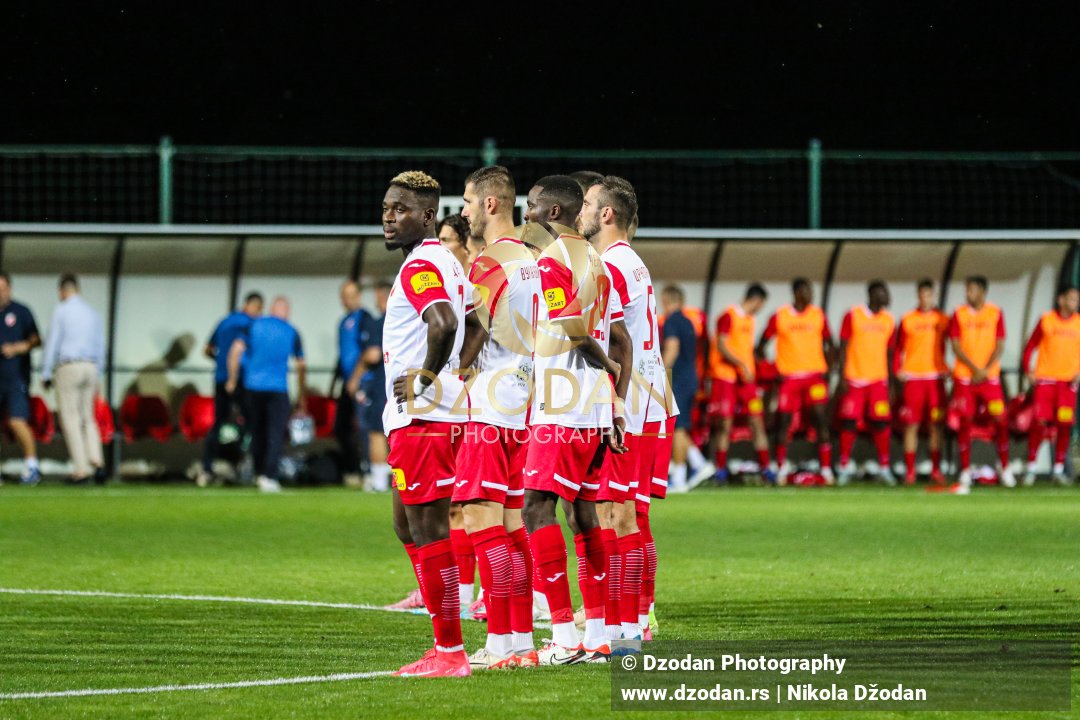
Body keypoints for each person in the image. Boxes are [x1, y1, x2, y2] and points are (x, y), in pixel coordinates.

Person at [522, 183, 623, 666]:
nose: (527, 207)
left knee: (535, 510)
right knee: (583, 517)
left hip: (563, 406)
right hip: (591, 408)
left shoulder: (554, 257)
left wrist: (607, 365)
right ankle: (599, 635)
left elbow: (568, 323)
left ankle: (563, 636)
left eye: (534, 201)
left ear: (553, 210)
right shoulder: (598, 260)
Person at [381, 171, 471, 678]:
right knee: (405, 523)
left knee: (429, 527)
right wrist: (456, 374)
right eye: (387, 208)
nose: (390, 217)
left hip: (424, 418)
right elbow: (474, 323)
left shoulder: (423, 266)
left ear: (428, 216)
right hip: (424, 416)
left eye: (401, 209)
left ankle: (450, 650)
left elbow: (445, 322)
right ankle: (444, 629)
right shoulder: (446, 262)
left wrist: (426, 378)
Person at [455, 165, 542, 669]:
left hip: (488, 401)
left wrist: (448, 377)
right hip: (523, 402)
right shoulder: (532, 259)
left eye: (467, 201)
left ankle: (500, 645)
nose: (464, 210)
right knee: (513, 527)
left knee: (478, 519)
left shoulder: (490, 261)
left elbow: (475, 328)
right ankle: (521, 643)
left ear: (490, 204)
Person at [583, 175, 660, 648]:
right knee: (628, 513)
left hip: (628, 401)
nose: (581, 210)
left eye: (589, 203)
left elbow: (619, 341)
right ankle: (633, 623)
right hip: (645, 400)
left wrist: (613, 401)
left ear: (607, 213)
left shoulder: (611, 264)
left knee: (615, 514)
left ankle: (621, 629)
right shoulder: (631, 260)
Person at [756, 278, 836, 485]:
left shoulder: (818, 315)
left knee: (820, 419)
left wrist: (829, 367)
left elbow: (831, 344)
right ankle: (780, 468)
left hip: (814, 376)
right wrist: (773, 371)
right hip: (789, 378)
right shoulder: (780, 316)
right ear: (796, 293)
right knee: (784, 422)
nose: (811, 294)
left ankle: (826, 469)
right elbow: (761, 346)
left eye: (811, 290)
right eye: (806, 290)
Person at [226, 296, 305, 494]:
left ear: (271, 309)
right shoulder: (292, 331)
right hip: (277, 389)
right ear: (285, 311)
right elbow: (301, 365)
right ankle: (269, 476)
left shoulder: (254, 325)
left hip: (252, 388)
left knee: (257, 432)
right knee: (275, 433)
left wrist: (232, 379)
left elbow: (235, 351)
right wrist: (302, 392)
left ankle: (258, 472)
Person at [949, 275, 1014, 491]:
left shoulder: (995, 312)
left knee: (1000, 419)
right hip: (966, 378)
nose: (969, 294)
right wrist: (975, 369)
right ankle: (965, 470)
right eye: (967, 290)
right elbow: (956, 346)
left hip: (989, 379)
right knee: (965, 422)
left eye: (973, 290)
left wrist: (985, 369)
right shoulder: (958, 313)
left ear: (983, 292)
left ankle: (1004, 468)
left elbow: (1000, 344)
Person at [709, 283, 772, 484]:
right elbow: (721, 345)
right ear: (756, 300)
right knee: (725, 424)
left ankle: (765, 468)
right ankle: (720, 470)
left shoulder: (750, 320)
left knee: (757, 421)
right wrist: (740, 364)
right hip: (726, 377)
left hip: (747, 382)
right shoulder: (728, 315)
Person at [836, 281, 897, 485]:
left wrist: (891, 383)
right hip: (855, 379)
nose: (887, 297)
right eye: (883, 293)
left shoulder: (889, 320)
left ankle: (884, 467)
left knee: (881, 422)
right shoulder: (853, 315)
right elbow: (843, 347)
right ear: (872, 294)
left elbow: (890, 355)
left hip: (878, 381)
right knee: (849, 422)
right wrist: (843, 376)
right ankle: (844, 465)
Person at [199, 292, 263, 487]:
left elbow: (207, 349)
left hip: (220, 378)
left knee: (218, 423)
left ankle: (207, 469)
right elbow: (247, 351)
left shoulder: (224, 322)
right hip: (241, 379)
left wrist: (220, 362)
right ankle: (248, 465)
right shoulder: (250, 325)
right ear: (254, 306)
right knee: (252, 422)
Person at [1021, 285, 1080, 486]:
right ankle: (1031, 469)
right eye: (1071, 299)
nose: (1074, 303)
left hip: (1067, 384)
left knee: (1064, 425)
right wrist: (1027, 370)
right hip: (1046, 381)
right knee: (1039, 423)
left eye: (1076, 300)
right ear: (1060, 300)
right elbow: (1030, 346)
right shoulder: (1046, 320)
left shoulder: (1079, 323)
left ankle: (1058, 470)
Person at [895, 278, 949, 485]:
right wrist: (897, 369)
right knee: (911, 425)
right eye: (922, 294)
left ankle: (936, 469)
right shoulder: (908, 319)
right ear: (917, 296)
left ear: (933, 295)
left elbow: (955, 343)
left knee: (936, 425)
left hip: (935, 379)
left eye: (928, 294)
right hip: (914, 378)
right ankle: (910, 471)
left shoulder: (943, 319)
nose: (925, 298)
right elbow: (899, 347)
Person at [348, 281, 391, 492]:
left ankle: (378, 481)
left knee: (376, 431)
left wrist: (355, 376)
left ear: (381, 296)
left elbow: (373, 354)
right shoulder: (411, 319)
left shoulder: (380, 322)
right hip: (409, 382)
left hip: (383, 382)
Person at [0, 272, 43, 485]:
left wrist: (19, 347)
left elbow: (36, 339)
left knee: (17, 421)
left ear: (9, 289)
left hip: (16, 378)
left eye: (2, 288)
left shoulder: (21, 311)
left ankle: (32, 466)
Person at [333, 280, 375, 487]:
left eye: (350, 294)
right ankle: (352, 469)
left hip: (362, 382)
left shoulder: (364, 318)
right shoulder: (343, 322)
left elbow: (368, 353)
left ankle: (369, 471)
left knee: (365, 427)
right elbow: (342, 356)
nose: (346, 299)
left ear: (358, 296)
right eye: (343, 295)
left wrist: (356, 379)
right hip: (347, 383)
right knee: (340, 428)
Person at [660, 285, 698, 492]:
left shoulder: (672, 322)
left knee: (676, 427)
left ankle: (680, 475)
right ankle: (699, 463)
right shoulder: (688, 322)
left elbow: (672, 350)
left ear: (666, 300)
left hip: (679, 380)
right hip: (691, 378)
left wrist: (660, 374)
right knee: (679, 426)